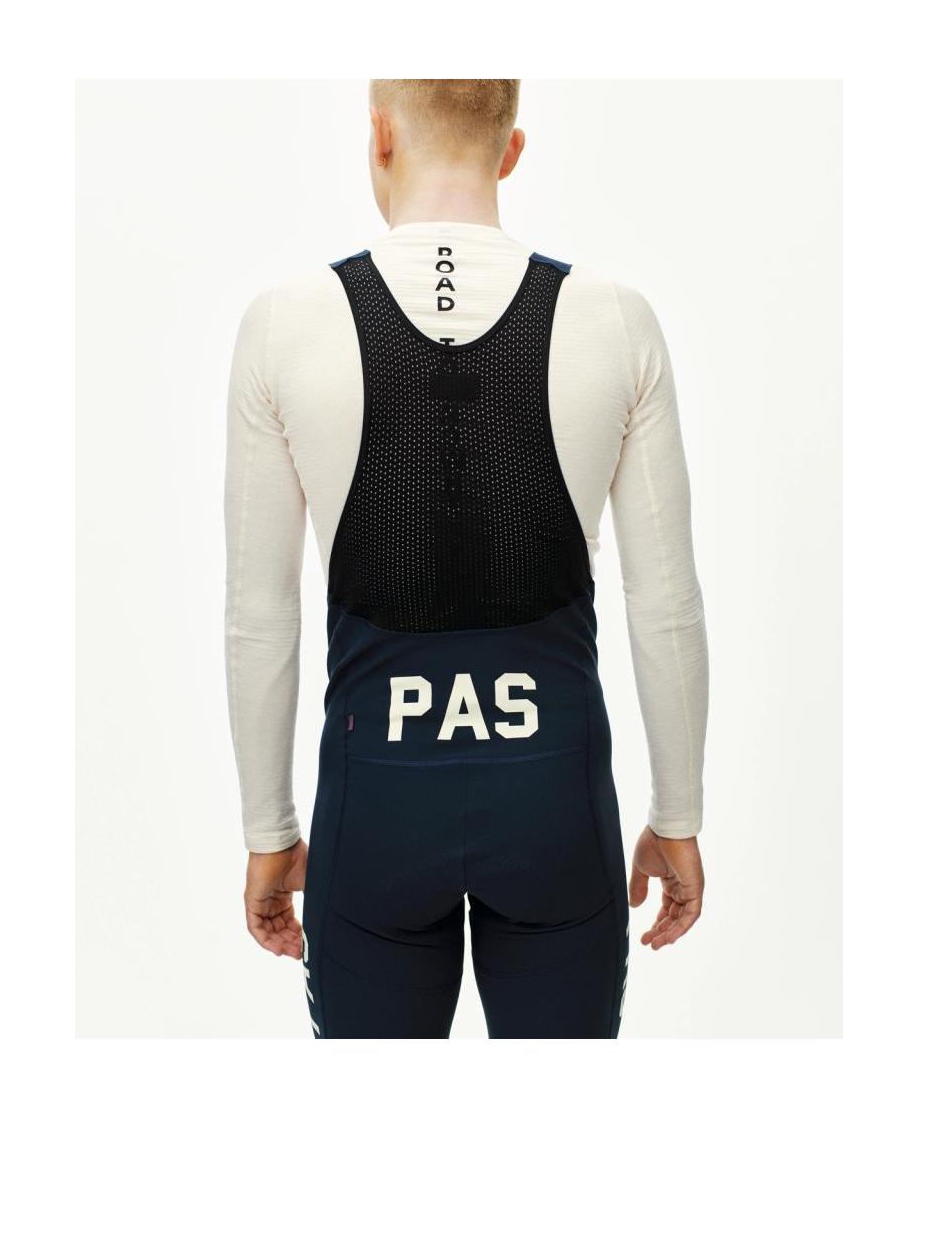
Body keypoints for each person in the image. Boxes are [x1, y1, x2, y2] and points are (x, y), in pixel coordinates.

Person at [223, 79, 709, 1038]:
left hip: (376, 804)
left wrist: (269, 831)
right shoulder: (615, 319)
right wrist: (679, 815)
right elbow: (668, 604)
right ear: (511, 148)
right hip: (555, 802)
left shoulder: (284, 324)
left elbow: (259, 615)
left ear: (380, 135)